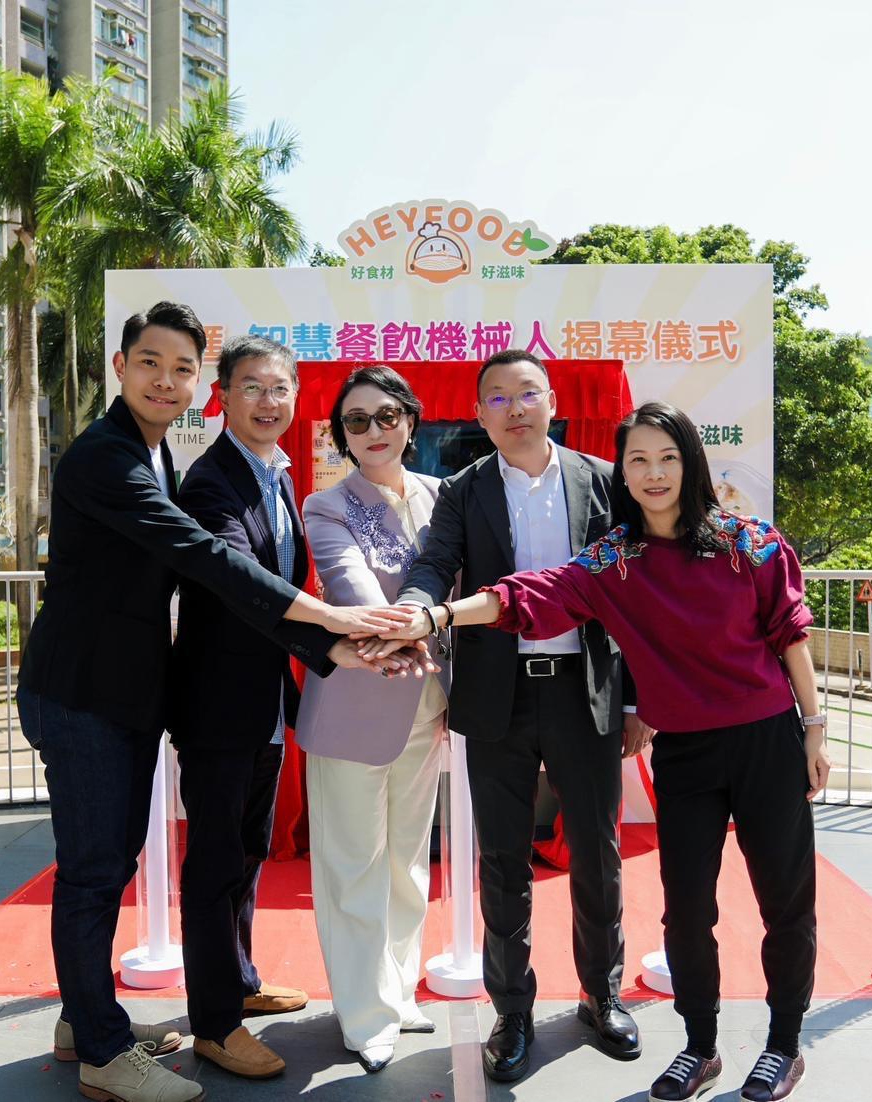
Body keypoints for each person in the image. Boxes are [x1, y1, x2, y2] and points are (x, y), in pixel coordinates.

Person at [16, 302, 413, 1102]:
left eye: (181, 367)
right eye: (151, 363)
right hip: (85, 691)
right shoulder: (113, 459)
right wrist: (333, 624)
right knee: (97, 873)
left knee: (171, 857)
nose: (166, 379)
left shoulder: (157, 452)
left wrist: (328, 644)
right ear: (122, 367)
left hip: (136, 692)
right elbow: (207, 561)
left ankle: (89, 1015)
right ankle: (104, 1050)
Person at [387, 400, 828, 1102]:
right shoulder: (615, 561)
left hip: (767, 740)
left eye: (668, 457)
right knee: (686, 910)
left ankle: (783, 1044)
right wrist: (438, 613)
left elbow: (790, 632)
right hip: (683, 753)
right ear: (620, 472)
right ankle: (702, 1046)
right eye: (638, 460)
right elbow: (519, 597)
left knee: (786, 902)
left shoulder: (752, 543)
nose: (654, 474)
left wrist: (814, 727)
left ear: (692, 462)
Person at [395, 349, 646, 1082]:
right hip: (497, 696)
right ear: (478, 414)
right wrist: (417, 606)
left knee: (598, 853)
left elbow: (630, 594)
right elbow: (435, 564)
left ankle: (602, 997)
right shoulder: (463, 490)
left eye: (526, 393)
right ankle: (512, 1011)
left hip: (584, 692)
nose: (513, 407)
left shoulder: (601, 481)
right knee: (503, 860)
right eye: (496, 397)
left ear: (552, 400)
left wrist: (634, 699)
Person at [294, 366, 450, 1074]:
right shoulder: (326, 505)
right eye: (356, 421)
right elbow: (351, 586)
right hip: (355, 704)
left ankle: (397, 989)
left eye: (386, 415)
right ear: (342, 438)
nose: (374, 431)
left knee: (406, 865)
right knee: (353, 867)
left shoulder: (446, 496)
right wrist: (408, 626)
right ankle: (364, 1015)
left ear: (411, 421)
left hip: (427, 705)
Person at [166, 335, 314, 1081]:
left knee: (250, 853)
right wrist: (338, 642)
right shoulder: (210, 480)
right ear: (221, 394)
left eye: (279, 388)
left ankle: (241, 982)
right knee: (217, 861)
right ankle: (215, 1024)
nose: (268, 402)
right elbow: (242, 583)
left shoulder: (279, 475)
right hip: (219, 706)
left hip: (264, 704)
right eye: (252, 386)